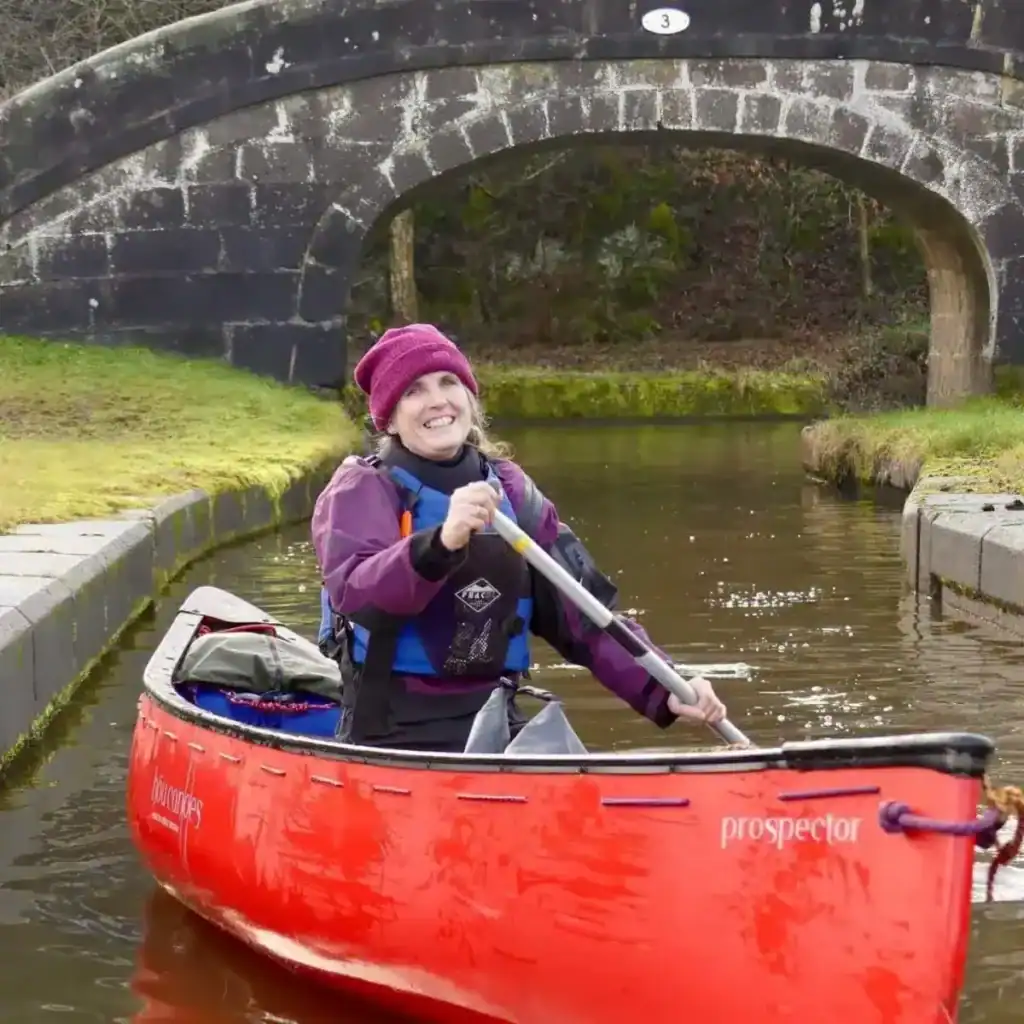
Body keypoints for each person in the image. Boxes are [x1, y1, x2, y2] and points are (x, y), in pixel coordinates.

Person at [311, 323, 727, 752]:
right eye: (414, 391)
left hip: (495, 722)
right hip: (391, 733)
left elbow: (586, 617)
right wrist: (440, 543)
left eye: (448, 382)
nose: (437, 400)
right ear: (390, 420)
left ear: (469, 399)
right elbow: (360, 596)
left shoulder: (510, 490)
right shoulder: (362, 489)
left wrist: (665, 685)